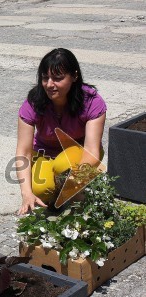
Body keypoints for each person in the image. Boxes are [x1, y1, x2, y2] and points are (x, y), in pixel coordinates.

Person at [16, 48, 106, 215]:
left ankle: (77, 200)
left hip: (81, 152)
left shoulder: (92, 102)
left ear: (74, 76)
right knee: (41, 189)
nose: (50, 84)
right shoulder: (33, 103)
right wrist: (26, 192)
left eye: (58, 78)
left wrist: (74, 188)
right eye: (45, 78)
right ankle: (54, 196)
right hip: (46, 153)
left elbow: (92, 150)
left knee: (63, 166)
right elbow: (24, 152)